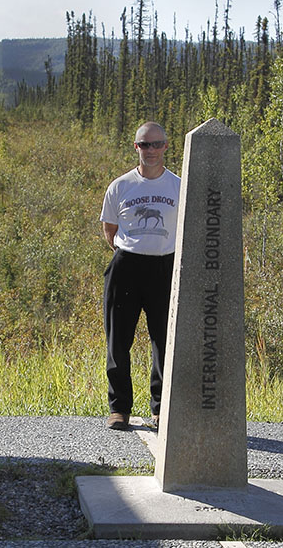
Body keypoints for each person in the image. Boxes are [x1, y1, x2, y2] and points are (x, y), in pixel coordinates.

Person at [99, 121, 181, 430]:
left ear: (166, 147)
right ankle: (119, 409)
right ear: (136, 147)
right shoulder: (120, 187)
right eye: (144, 145)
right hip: (127, 266)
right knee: (118, 340)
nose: (151, 150)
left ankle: (161, 409)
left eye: (156, 144)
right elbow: (110, 230)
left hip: (165, 266)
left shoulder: (178, 185)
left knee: (165, 340)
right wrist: (129, 251)